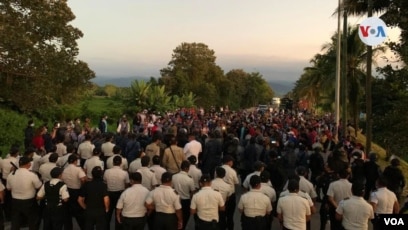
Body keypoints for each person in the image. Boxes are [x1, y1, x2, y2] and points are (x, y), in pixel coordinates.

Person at [6, 156, 43, 230]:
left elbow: (8, 188)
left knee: (15, 222)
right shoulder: (32, 175)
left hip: (15, 201)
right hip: (29, 201)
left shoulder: (10, 175)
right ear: (29, 164)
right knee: (32, 221)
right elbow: (39, 187)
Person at [104, 156, 130, 230]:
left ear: (113, 163)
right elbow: (127, 184)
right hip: (120, 194)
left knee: (108, 213)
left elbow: (105, 182)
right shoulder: (125, 173)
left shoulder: (107, 171)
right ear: (121, 163)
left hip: (109, 194)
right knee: (118, 214)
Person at [61, 154, 87, 230]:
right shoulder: (78, 169)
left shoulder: (64, 169)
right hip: (76, 191)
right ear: (76, 161)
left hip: (67, 191)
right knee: (79, 212)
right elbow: (82, 179)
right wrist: (82, 186)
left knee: (67, 212)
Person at [171, 160, 195, 230]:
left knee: (175, 216)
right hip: (185, 201)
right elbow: (192, 191)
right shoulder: (189, 179)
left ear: (181, 167)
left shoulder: (174, 176)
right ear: (187, 168)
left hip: (175, 199)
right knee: (185, 218)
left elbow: (171, 188)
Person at [221, 155, 239, 230]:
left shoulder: (218, 169)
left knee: (221, 215)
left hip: (221, 195)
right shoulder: (232, 171)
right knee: (230, 215)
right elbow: (236, 182)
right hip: (231, 195)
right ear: (229, 162)